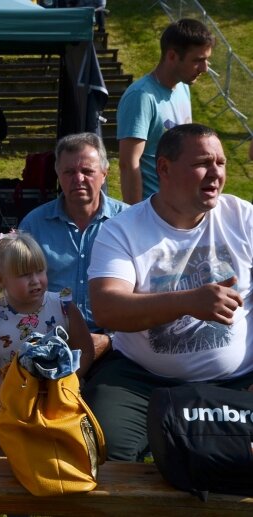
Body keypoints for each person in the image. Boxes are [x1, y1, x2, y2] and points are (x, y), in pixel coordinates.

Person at [85, 123, 253, 461]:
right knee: (104, 452)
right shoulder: (123, 230)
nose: (216, 174)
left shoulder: (243, 218)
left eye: (221, 163)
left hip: (236, 381)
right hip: (140, 381)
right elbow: (107, 308)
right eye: (202, 163)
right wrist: (188, 302)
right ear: (164, 167)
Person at [0, 231, 93, 454]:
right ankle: (8, 470)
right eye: (25, 275)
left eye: (40, 271)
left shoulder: (63, 307)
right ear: (0, 279)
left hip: (59, 386)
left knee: (68, 419)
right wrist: (8, 390)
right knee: (4, 424)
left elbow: (84, 351)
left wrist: (67, 382)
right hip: (8, 388)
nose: (35, 280)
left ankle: (61, 468)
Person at [18, 132, 127, 360]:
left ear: (104, 174)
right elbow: (19, 290)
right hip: (49, 340)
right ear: (58, 174)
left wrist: (111, 340)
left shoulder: (128, 222)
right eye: (69, 172)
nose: (78, 179)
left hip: (117, 343)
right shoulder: (34, 224)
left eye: (87, 171)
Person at [117, 18, 214, 204]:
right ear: (172, 56)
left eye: (206, 60)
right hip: (153, 212)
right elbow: (129, 164)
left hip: (181, 209)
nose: (204, 68)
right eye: (198, 60)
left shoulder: (182, 88)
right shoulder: (141, 96)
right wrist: (136, 219)